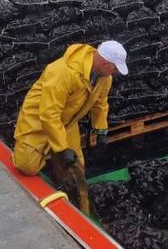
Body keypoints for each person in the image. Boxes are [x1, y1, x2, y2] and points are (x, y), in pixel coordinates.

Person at [12, 41, 128, 177]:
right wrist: (62, 149)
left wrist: (101, 131)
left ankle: (69, 190)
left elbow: (100, 104)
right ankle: (31, 151)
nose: (116, 73)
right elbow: (49, 114)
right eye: (115, 69)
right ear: (105, 63)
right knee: (26, 166)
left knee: (75, 169)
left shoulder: (105, 78)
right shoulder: (63, 72)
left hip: (68, 121)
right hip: (38, 118)